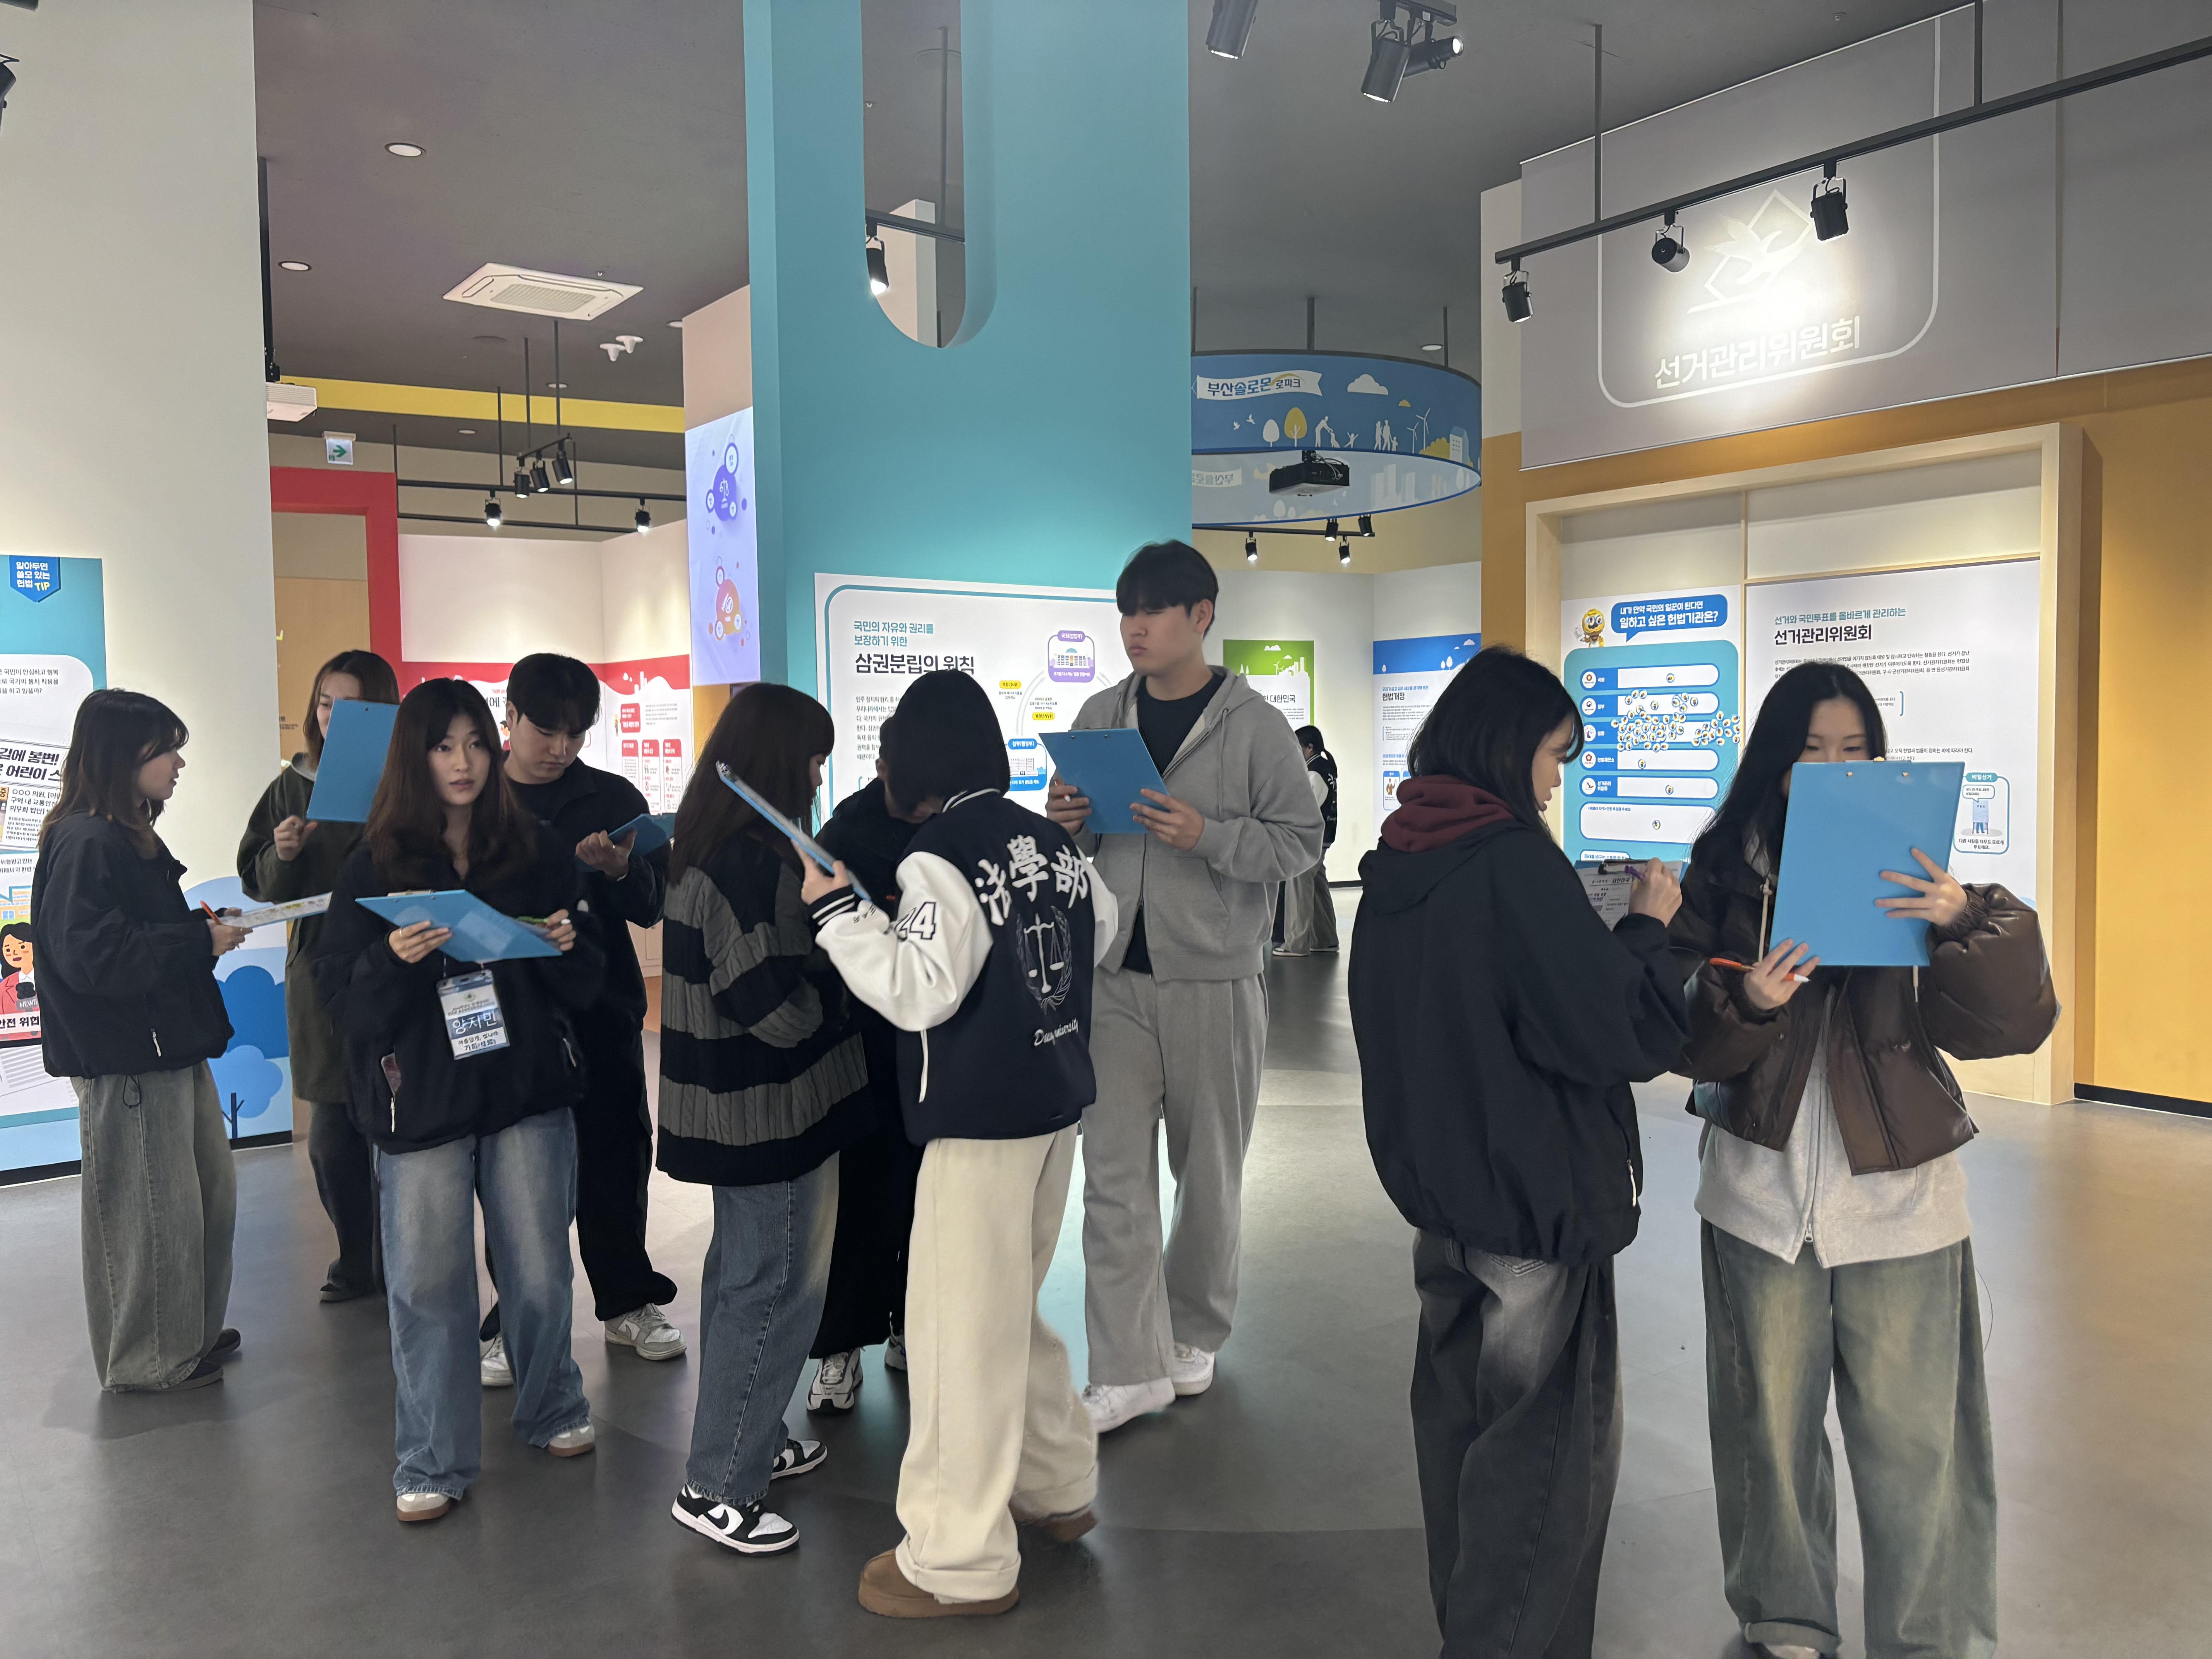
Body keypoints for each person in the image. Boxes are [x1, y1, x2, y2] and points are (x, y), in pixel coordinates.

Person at [1670, 661, 2056, 1659]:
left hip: (1902, 1201)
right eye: (1811, 752)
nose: (1834, 768)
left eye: (1854, 750)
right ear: (1775, 763)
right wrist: (1745, 1000)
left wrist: (1964, 922)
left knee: (1921, 1445)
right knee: (1766, 1433)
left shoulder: (1918, 872)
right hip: (1758, 1200)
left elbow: (2013, 1027)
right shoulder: (1723, 872)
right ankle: (1784, 1616)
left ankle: (1932, 1637)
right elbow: (1680, 1034)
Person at [1346, 646, 1690, 1659]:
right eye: (1552, 755)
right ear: (1508, 747)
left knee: (1461, 1449)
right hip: (1535, 1212)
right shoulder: (1513, 863)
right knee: (1542, 1475)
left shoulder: (1401, 857)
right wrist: (1647, 931)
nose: (1554, 782)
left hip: (1445, 1209)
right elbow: (1613, 1031)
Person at [806, 670, 1119, 1619]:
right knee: (1008, 1311)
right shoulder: (1050, 844)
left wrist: (839, 918)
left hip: (978, 1124)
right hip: (1053, 1111)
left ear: (912, 759)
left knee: (955, 1335)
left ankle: (957, 1561)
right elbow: (1102, 928)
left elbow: (920, 991)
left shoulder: (937, 856)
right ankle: (1057, 1484)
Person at [1047, 539, 1324, 1434]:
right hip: (1113, 980)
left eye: (1152, 611)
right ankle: (1127, 1367)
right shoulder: (1101, 715)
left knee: (1207, 1176)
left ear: (1201, 617)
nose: (1134, 628)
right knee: (1112, 1179)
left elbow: (1300, 843)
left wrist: (1208, 835)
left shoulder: (1255, 726)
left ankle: (1194, 1331)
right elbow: (1075, 843)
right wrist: (1067, 822)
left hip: (1216, 979)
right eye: (1126, 612)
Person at [312, 678, 604, 1523]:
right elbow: (343, 1003)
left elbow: (589, 980)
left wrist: (563, 943)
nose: (465, 762)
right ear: (416, 756)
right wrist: (392, 959)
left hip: (526, 1088)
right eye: (444, 746)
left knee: (540, 1270)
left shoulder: (536, 849)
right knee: (427, 1285)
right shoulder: (373, 863)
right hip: (420, 1104)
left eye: (476, 742)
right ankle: (433, 1458)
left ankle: (551, 1402)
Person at [658, 682, 871, 1557]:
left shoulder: (713, 844)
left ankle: (751, 1436)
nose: (818, 777)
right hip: (768, 1110)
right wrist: (848, 968)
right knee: (773, 1289)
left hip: (734, 1108)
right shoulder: (750, 863)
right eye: (813, 760)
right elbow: (771, 1008)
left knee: (740, 1281)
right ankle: (718, 1487)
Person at [474, 653, 681, 1389]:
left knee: (615, 1155)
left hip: (602, 1007)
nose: (561, 748)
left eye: (576, 733)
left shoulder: (611, 796)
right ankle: (514, 1318)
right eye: (547, 730)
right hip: (511, 1013)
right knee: (514, 1173)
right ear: (511, 717)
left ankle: (626, 1300)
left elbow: (655, 903)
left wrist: (622, 870)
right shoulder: (478, 795)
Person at [33, 690, 249, 1392]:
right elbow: (93, 956)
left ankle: (187, 1333)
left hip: (167, 1047)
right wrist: (196, 939)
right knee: (151, 1210)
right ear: (124, 755)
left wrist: (199, 933)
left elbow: (128, 939)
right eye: (167, 749)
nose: (179, 763)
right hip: (130, 1057)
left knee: (200, 1201)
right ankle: (150, 1358)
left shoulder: (120, 837)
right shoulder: (87, 841)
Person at [237, 647, 400, 1304]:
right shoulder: (292, 784)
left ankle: (407, 1255)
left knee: (405, 1115)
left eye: (351, 706)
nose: (332, 716)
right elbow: (257, 879)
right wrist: (280, 853)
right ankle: (356, 1259)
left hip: (399, 959)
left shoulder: (410, 779)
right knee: (332, 1130)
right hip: (320, 970)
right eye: (325, 702)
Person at [805, 715, 934, 1413]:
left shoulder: (949, 825)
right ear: (882, 768)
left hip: (938, 1047)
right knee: (860, 1201)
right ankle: (841, 1348)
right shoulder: (845, 836)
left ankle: (913, 1323)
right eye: (912, 792)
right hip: (864, 1046)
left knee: (929, 1198)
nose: (922, 806)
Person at [1275, 723, 1339, 957]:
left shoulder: (1315, 772)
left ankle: (1296, 944)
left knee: (1299, 886)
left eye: (1298, 747)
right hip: (1323, 838)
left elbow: (1306, 809)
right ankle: (1325, 939)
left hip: (1310, 839)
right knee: (1318, 885)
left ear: (1309, 748)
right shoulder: (1326, 768)